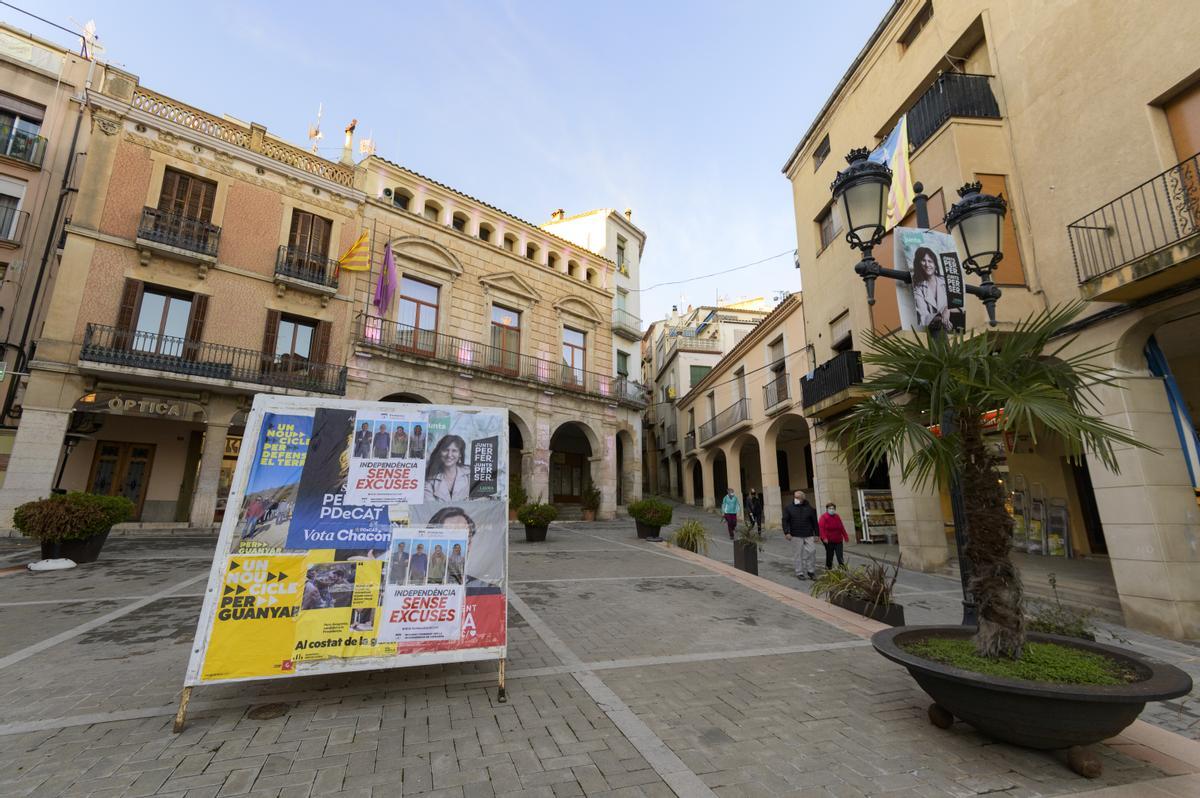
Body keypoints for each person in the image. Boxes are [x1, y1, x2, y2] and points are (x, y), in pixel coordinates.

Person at [911, 246, 951, 330]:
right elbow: (924, 316)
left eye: (930, 261)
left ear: (935, 264)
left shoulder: (946, 281)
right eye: (923, 261)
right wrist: (941, 318)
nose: (927, 264)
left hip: (954, 327)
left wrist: (947, 309)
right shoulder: (917, 288)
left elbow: (958, 302)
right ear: (919, 264)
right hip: (933, 330)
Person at [782, 489, 819, 580]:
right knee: (798, 554)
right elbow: (785, 521)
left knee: (812, 551)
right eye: (795, 497)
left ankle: (811, 571)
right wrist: (786, 532)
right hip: (795, 534)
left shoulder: (810, 508)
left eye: (798, 497)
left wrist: (817, 534)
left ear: (803, 498)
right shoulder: (789, 508)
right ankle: (799, 572)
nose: (796, 499)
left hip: (808, 533)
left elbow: (815, 522)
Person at [425, 435, 470, 502]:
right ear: (440, 452)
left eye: (454, 451)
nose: (449, 455)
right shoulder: (429, 478)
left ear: (460, 454)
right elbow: (430, 507)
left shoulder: (470, 474)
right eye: (446, 450)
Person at [819, 501, 850, 570]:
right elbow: (821, 529)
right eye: (830, 508)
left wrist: (846, 536)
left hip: (838, 539)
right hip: (828, 540)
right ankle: (828, 567)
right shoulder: (823, 517)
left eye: (833, 508)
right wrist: (824, 538)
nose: (832, 510)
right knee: (830, 554)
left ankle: (842, 567)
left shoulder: (837, 516)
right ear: (827, 509)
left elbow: (841, 527)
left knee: (840, 555)